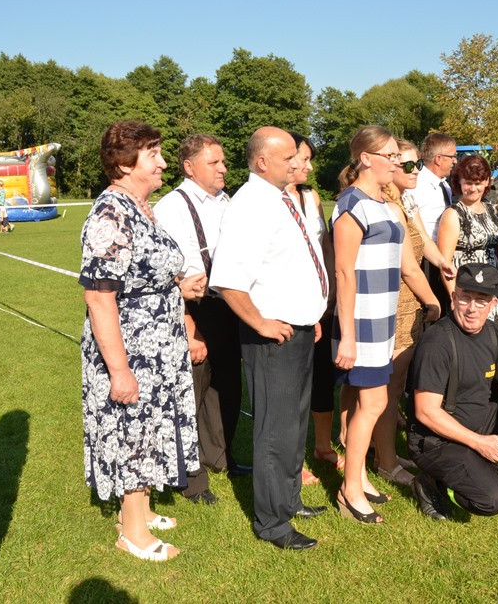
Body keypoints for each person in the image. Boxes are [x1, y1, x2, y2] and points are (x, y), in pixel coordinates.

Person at [80, 121, 205, 562]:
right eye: (153, 155)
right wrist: (119, 370)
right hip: (132, 348)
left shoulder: (139, 208)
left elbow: (143, 274)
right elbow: (99, 296)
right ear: (123, 164)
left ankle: (140, 508)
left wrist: (179, 287)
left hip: (159, 345)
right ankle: (132, 533)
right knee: (135, 427)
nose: (164, 163)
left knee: (152, 425)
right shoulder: (110, 213)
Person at [210, 126, 329, 551]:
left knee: (294, 423)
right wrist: (261, 323)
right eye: (288, 157)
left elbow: (290, 265)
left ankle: (289, 499)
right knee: (275, 429)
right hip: (273, 337)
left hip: (298, 329)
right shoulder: (251, 205)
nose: (297, 163)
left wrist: (311, 313)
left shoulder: (280, 199)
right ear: (262, 162)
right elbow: (228, 280)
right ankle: (272, 523)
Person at [407, 263, 498, 520]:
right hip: (438, 439)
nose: (472, 308)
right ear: (454, 297)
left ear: (493, 304)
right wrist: (479, 443)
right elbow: (425, 412)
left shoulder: (494, 332)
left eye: (481, 300)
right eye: (465, 298)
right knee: (492, 501)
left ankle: (497, 472)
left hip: (478, 421)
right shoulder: (437, 342)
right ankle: (429, 483)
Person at [153, 133, 249, 506]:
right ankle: (189, 477)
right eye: (214, 162)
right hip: (195, 308)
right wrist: (189, 328)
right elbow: (169, 275)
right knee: (190, 395)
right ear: (190, 167)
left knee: (226, 388)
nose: (223, 168)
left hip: (228, 306)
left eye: (223, 161)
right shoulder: (173, 207)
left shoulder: (226, 201)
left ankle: (219, 456)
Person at [331, 125, 415, 524]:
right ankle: (349, 492)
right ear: (365, 158)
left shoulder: (380, 200)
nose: (396, 162)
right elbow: (343, 273)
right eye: (390, 155)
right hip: (361, 323)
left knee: (369, 403)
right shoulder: (351, 205)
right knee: (374, 403)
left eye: (398, 155)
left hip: (382, 321)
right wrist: (347, 336)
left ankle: (359, 477)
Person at [372, 138, 444, 488]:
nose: (417, 171)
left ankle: (380, 452)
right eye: (409, 165)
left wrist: (446, 265)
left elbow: (424, 242)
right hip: (397, 302)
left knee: (392, 387)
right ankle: (385, 462)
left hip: (409, 300)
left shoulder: (406, 200)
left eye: (418, 164)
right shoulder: (387, 204)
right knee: (387, 390)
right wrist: (434, 302)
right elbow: (409, 269)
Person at [281, 132, 341, 485]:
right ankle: (291, 458)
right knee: (292, 385)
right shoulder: (270, 200)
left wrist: (331, 295)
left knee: (321, 377)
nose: (309, 166)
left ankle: (321, 446)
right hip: (288, 305)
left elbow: (325, 245)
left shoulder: (311, 196)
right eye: (304, 158)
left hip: (321, 301)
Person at [438, 154, 498, 325]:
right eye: (468, 183)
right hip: (467, 292)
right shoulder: (453, 214)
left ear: (486, 182)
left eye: (478, 183)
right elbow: (445, 263)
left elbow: (496, 248)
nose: (473, 188)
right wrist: (455, 298)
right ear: (459, 182)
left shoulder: (490, 209)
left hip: (490, 288)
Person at [407, 132, 458, 310]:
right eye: (452, 156)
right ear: (438, 159)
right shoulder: (417, 185)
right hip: (425, 260)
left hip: (442, 258)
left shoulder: (444, 185)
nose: (455, 161)